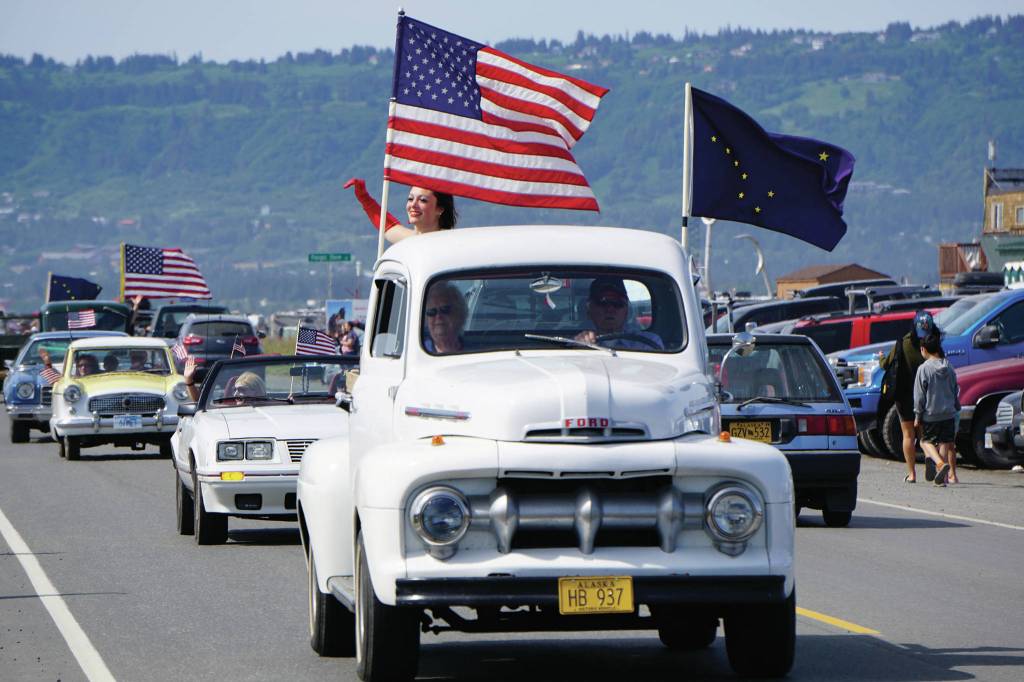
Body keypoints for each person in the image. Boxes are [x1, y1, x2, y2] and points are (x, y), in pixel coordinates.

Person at [881, 310, 933, 483]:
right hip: (925, 396)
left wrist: (881, 358)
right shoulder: (932, 346)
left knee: (908, 435)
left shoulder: (902, 344)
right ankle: (929, 456)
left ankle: (912, 474)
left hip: (903, 395)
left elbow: (885, 364)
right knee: (924, 434)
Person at [344, 178, 458, 244]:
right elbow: (387, 225)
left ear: (440, 209)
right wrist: (364, 198)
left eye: (423, 200)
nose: (413, 204)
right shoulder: (410, 240)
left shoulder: (449, 243)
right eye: (410, 199)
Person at [914, 332, 960, 486]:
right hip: (949, 413)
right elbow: (955, 389)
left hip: (931, 413)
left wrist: (917, 415)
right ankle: (942, 479)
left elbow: (919, 395)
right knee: (945, 444)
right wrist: (955, 406)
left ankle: (940, 465)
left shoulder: (923, 369)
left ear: (923, 350)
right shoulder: (949, 366)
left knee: (925, 442)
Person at [574, 276, 664, 351]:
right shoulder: (573, 343)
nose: (610, 309)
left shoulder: (649, 342)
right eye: (602, 303)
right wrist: (579, 350)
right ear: (590, 310)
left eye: (618, 303)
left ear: (626, 310)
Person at [423, 282, 468, 354]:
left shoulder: (476, 350)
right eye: (432, 311)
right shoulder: (418, 352)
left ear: (459, 314)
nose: (438, 316)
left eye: (445, 309)